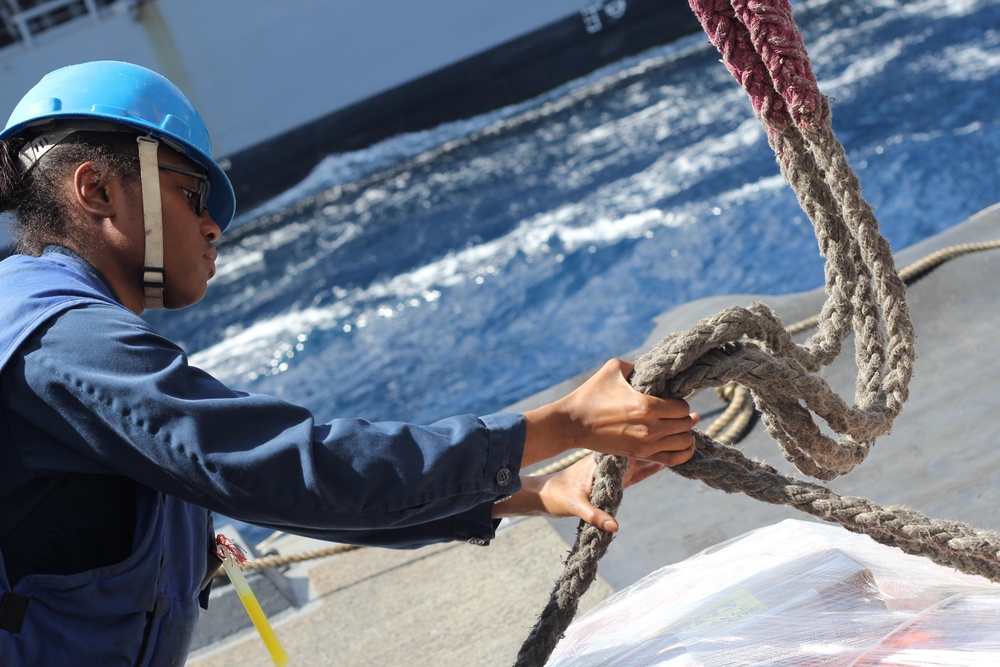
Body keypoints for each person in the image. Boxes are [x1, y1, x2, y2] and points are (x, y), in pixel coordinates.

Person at [0, 61, 697, 665]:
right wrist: (564, 421)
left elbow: (288, 490)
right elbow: (294, 469)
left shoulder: (53, 326)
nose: (214, 226)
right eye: (192, 194)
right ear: (95, 191)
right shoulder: (61, 342)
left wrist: (524, 489)